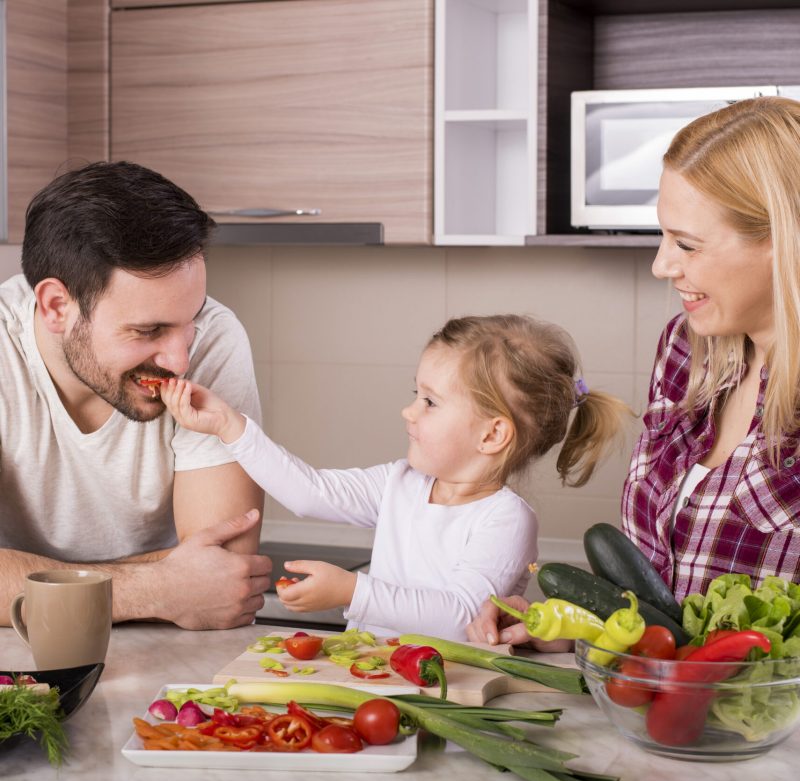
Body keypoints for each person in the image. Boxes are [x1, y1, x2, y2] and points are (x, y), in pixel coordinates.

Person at [468, 95, 800, 647]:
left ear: (781, 241)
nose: (661, 264)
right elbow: (655, 599)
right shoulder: (688, 350)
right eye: (664, 235)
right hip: (651, 720)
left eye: (686, 244)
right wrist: (567, 626)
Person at [161, 314, 630, 640]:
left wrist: (352, 591)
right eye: (416, 393)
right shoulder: (400, 483)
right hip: (372, 678)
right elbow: (308, 492)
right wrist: (229, 426)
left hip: (447, 693)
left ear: (492, 435)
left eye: (430, 401)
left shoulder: (505, 519)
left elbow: (461, 618)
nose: (409, 410)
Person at [0, 161, 270, 630]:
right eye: (148, 331)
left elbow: (225, 572)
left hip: (168, 648)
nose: (180, 361)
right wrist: (161, 588)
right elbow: (192, 586)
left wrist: (22, 580)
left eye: (191, 320)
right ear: (57, 307)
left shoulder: (214, 340)